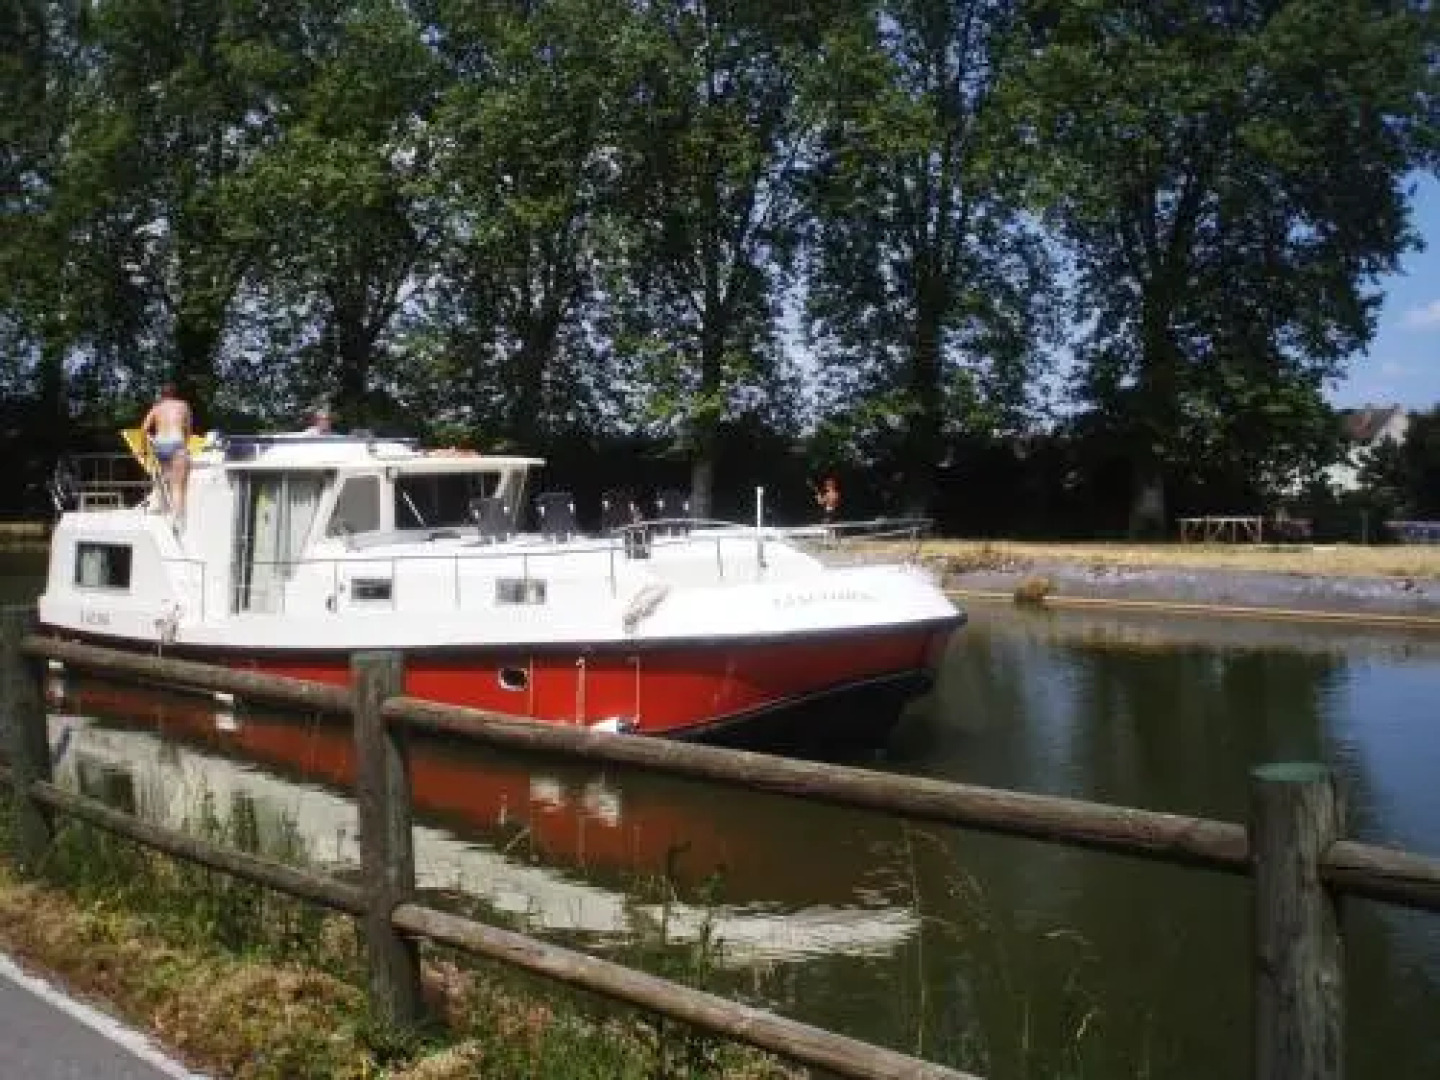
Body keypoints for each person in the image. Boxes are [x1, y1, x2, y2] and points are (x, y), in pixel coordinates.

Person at [141, 383, 192, 517]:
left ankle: (163, 511)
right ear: (175, 394)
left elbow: (144, 428)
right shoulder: (183, 406)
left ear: (162, 395)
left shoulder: (157, 407)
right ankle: (177, 519)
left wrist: (144, 449)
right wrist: (185, 446)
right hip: (177, 443)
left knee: (164, 479)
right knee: (178, 487)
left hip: (160, 444)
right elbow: (188, 430)